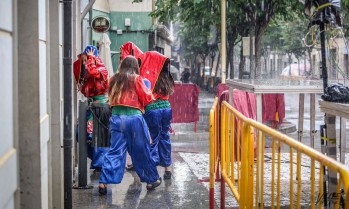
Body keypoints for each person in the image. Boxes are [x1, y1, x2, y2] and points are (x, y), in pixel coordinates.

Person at [99, 56, 161, 195]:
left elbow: (109, 96)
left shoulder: (114, 79)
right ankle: (151, 180)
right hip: (134, 118)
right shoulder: (136, 78)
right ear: (135, 66)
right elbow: (146, 98)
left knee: (115, 151)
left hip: (116, 118)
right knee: (141, 150)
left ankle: (104, 182)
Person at [138, 51, 175, 180]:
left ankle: (152, 171)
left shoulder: (147, 75)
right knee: (165, 137)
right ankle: (168, 168)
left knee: (153, 139)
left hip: (152, 109)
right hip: (166, 108)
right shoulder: (166, 76)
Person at [73, 45, 110, 170]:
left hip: (101, 105)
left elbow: (96, 74)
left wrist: (91, 60)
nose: (86, 62)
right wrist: (84, 63)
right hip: (89, 106)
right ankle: (97, 161)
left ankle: (101, 164)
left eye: (88, 59)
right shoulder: (85, 68)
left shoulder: (102, 69)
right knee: (80, 134)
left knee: (101, 138)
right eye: (85, 59)